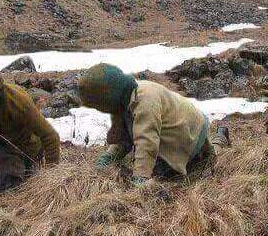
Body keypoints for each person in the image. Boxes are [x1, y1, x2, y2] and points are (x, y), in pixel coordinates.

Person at [78, 63, 230, 187]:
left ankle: (220, 137)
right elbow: (122, 137)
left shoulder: (145, 101)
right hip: (183, 122)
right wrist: (109, 156)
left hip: (192, 132)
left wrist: (141, 178)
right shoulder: (124, 96)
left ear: (108, 97)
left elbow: (147, 141)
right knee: (205, 158)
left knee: (171, 173)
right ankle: (218, 138)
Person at [0, 63, 60, 191]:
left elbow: (50, 136)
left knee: (8, 180)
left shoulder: (18, 102)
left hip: (23, 149)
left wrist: (51, 179)